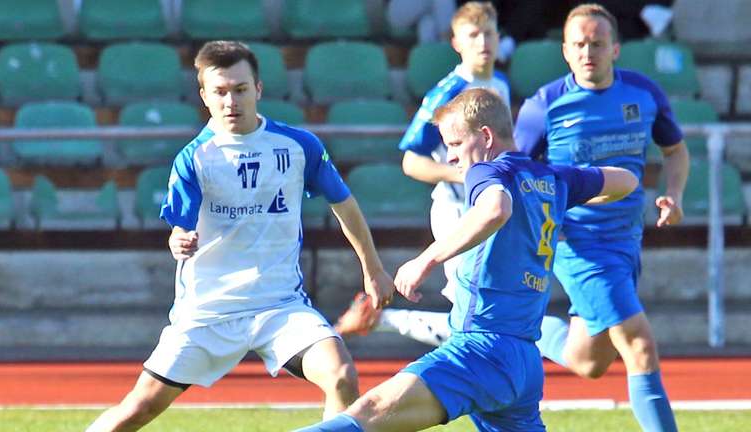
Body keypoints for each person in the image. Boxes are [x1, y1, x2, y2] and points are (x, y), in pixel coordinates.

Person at [85, 41, 395, 432]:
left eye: (240, 89)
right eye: (220, 91)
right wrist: (177, 239)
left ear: (259, 89)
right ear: (204, 96)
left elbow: (344, 206)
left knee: (341, 375)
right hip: (208, 310)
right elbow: (179, 229)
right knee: (137, 410)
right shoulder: (194, 158)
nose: (231, 100)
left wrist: (374, 269)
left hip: (279, 305)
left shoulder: (299, 146)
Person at [295, 88, 638, 432]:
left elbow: (496, 209)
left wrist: (425, 260)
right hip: (523, 362)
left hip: (481, 348)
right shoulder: (552, 179)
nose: (450, 158)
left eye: (456, 144)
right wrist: (564, 200)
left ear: (485, 136)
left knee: (370, 411)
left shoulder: (487, 171)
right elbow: (627, 180)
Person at [513, 4, 689, 432]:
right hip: (578, 247)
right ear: (565, 52)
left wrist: (673, 194)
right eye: (579, 44)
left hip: (626, 242)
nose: (588, 52)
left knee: (588, 360)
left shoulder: (643, 94)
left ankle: (529, 329)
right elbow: (515, 174)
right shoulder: (544, 107)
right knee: (640, 346)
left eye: (597, 43)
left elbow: (675, 150)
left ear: (616, 49)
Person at [334, 1, 511, 348]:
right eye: (473, 35)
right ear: (456, 42)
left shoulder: (501, 84)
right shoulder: (446, 93)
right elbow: (411, 162)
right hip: (457, 210)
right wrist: (467, 176)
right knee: (475, 317)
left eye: (488, 33)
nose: (483, 42)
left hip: (493, 208)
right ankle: (385, 321)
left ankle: (381, 318)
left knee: (485, 314)